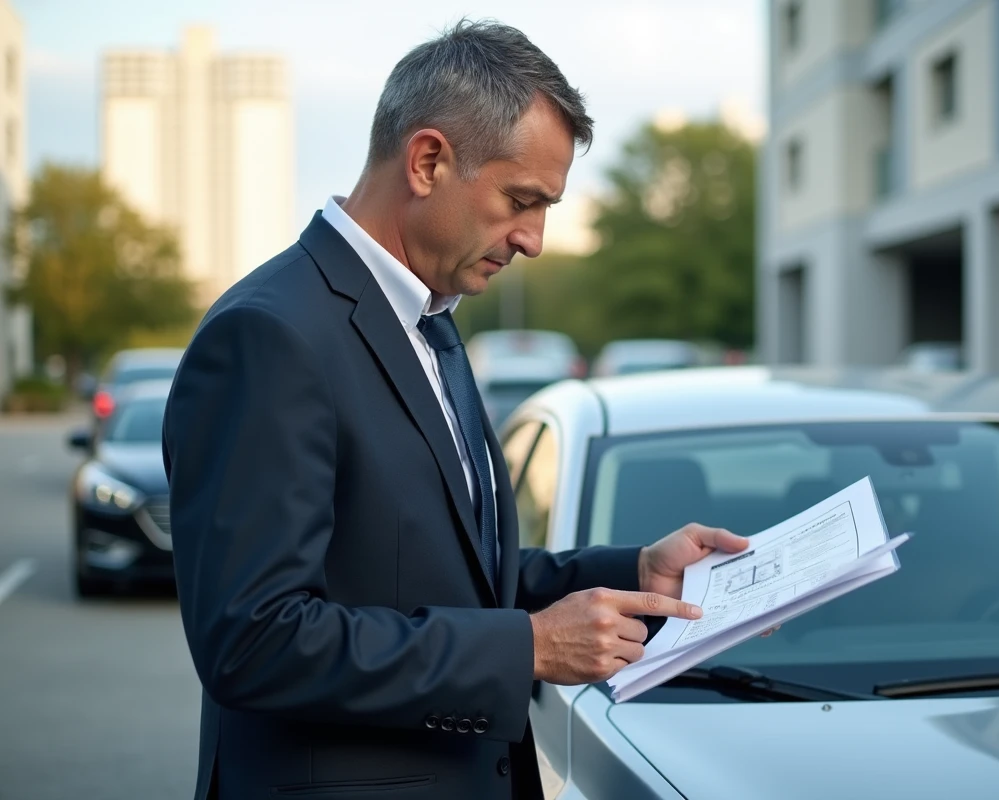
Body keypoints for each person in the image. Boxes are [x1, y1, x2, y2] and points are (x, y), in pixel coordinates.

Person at [162, 19, 749, 800]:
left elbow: (454, 577)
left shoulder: (429, 321)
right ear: (428, 161)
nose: (534, 239)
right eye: (521, 200)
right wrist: (526, 648)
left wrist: (637, 573)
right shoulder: (269, 336)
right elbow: (252, 640)